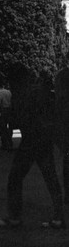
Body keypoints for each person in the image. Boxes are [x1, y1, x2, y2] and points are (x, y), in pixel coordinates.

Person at [0, 74, 65, 229]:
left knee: (15, 178)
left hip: (30, 142)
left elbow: (20, 119)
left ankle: (14, 216)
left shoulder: (25, 95)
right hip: (44, 141)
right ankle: (59, 216)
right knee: (51, 178)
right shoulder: (44, 95)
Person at [54, 53, 69, 205]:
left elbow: (58, 102)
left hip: (64, 125)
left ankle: (67, 195)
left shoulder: (60, 76)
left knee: (67, 161)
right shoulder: (62, 76)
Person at [0, 83, 14, 150]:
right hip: (9, 109)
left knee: (2, 127)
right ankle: (10, 141)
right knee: (10, 127)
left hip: (3, 110)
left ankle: (4, 143)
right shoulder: (9, 92)